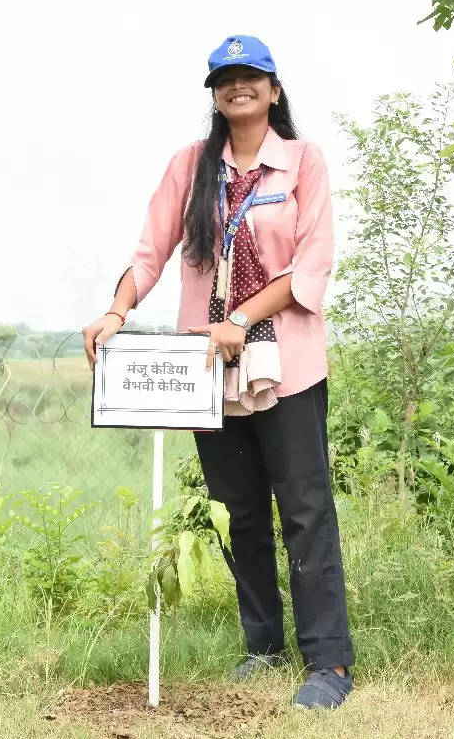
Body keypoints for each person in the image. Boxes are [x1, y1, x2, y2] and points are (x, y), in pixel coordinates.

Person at [82, 35, 354, 709]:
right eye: (225, 78)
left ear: (274, 89)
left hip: (285, 365)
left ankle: (328, 663)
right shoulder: (190, 167)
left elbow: (313, 262)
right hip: (207, 367)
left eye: (251, 76)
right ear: (214, 93)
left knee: (306, 511)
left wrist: (243, 316)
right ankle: (263, 647)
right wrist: (115, 312)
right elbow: (150, 252)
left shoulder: (302, 163)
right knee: (241, 513)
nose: (239, 86)